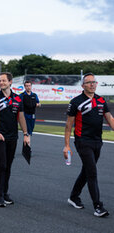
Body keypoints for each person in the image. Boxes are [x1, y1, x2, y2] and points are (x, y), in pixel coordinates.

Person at [63, 73, 114, 217]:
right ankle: (98, 206)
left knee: (86, 171)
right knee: (92, 172)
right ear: (83, 85)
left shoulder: (101, 101)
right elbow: (68, 125)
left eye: (94, 82)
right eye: (89, 82)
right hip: (82, 141)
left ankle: (74, 197)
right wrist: (66, 146)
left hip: (98, 141)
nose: (92, 84)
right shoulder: (76, 102)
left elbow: (110, 120)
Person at [0, 72, 29, 207]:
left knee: (8, 165)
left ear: (10, 82)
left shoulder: (17, 99)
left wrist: (26, 134)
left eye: (3, 80)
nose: (1, 83)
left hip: (13, 136)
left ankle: (5, 192)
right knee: (2, 164)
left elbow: (21, 118)